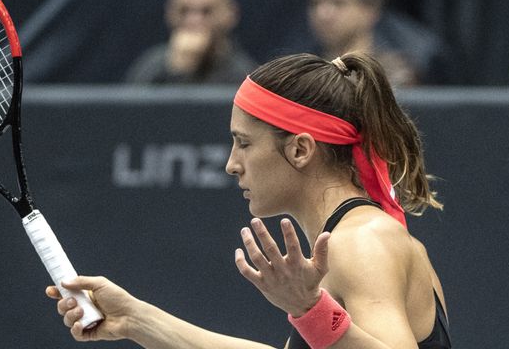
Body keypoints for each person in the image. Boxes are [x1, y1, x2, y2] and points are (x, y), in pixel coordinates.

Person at [48, 52, 452, 348]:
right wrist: (136, 318)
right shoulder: (350, 238)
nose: (231, 164)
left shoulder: (362, 242)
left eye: (243, 143)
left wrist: (310, 311)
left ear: (300, 150)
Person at [306, 0, 445, 87]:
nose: (323, 14)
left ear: (370, 9)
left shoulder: (400, 72)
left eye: (338, 3)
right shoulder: (303, 68)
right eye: (315, 3)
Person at [124, 0, 257, 84]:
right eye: (184, 10)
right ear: (169, 12)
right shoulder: (149, 69)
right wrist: (178, 70)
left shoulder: (245, 78)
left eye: (206, 11)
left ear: (230, 14)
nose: (193, 21)